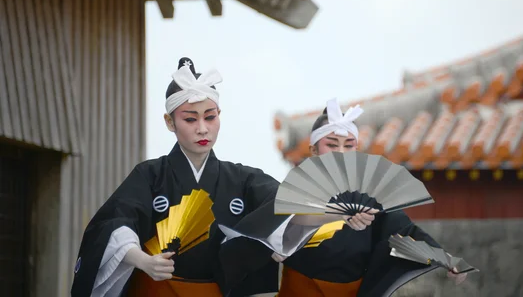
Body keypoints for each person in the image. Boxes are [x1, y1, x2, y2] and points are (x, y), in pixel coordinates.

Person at [71, 59, 374, 297]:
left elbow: (286, 204)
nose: (202, 128)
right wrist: (141, 260)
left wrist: (338, 214)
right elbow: (115, 222)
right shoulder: (150, 175)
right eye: (190, 119)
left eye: (210, 116)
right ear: (169, 122)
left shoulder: (241, 179)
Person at [275, 98, 468, 297]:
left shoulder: (369, 198)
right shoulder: (295, 192)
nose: (341, 152)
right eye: (332, 145)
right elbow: (273, 232)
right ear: (314, 151)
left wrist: (445, 258)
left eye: (348, 146)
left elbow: (404, 231)